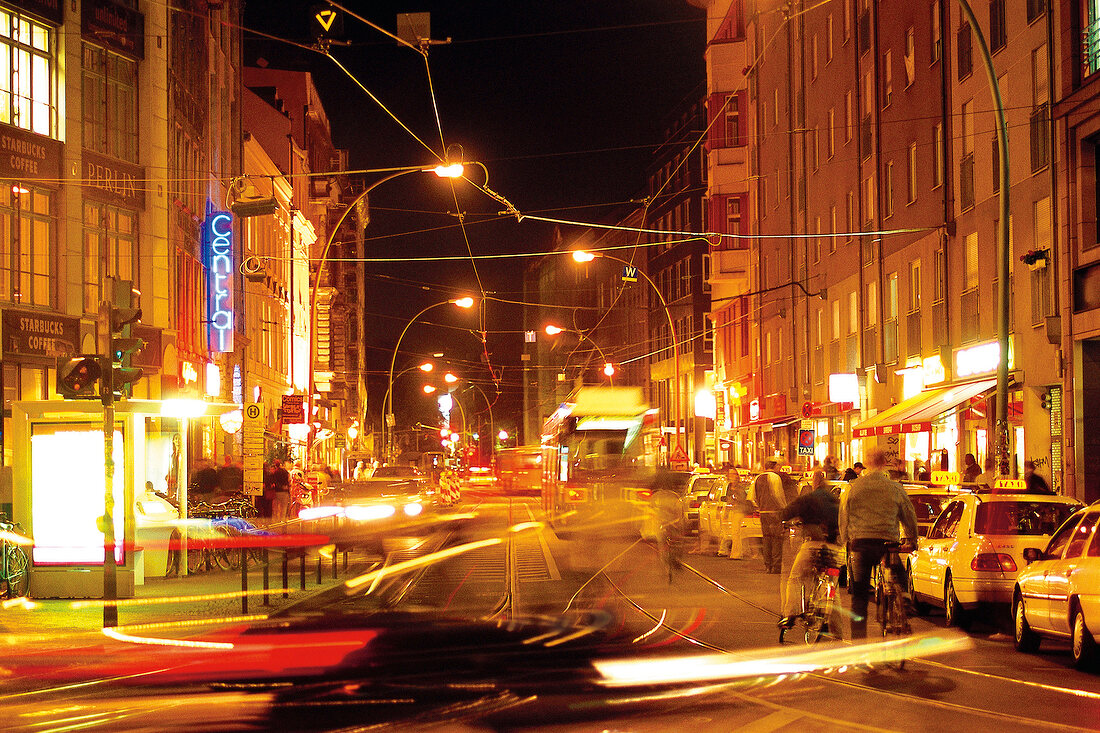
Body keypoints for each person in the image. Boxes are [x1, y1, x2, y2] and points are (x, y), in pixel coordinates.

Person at [839, 445, 919, 640]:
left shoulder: (853, 488)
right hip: (887, 543)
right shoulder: (895, 488)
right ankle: (905, 598)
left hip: (861, 544)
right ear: (885, 463)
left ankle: (859, 642)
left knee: (859, 596)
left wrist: (845, 541)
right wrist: (912, 539)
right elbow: (909, 516)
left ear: (865, 463)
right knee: (898, 571)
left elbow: (843, 517)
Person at [777, 468, 842, 629]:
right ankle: (836, 629)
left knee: (795, 577)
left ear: (814, 482)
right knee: (833, 585)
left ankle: (789, 614)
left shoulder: (808, 499)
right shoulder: (836, 501)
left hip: (812, 547)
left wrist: (785, 521)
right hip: (833, 549)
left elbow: (786, 512)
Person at [753, 459, 788, 574]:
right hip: (775, 512)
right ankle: (776, 566)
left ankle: (767, 565)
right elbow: (777, 495)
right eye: (778, 466)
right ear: (774, 467)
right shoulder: (774, 477)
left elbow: (752, 497)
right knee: (777, 539)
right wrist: (784, 508)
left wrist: (760, 506)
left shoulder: (757, 478)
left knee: (766, 539)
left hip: (763, 513)